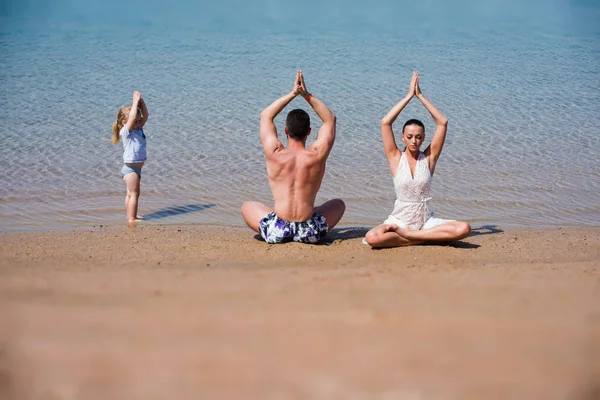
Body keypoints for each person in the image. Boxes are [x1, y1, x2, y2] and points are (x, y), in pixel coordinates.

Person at [365, 72, 470, 247]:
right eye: (410, 136)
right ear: (403, 138)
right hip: (400, 220)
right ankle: (422, 238)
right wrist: (408, 96)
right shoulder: (395, 158)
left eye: (419, 137)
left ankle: (412, 237)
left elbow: (442, 122)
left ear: (423, 138)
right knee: (372, 237)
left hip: (426, 220)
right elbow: (385, 122)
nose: (414, 141)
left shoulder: (429, 159)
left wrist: (420, 96)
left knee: (464, 228)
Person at [241, 70, 345, 244]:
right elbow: (330, 120)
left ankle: (284, 224)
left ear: (285, 131)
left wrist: (292, 94)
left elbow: (266, 115)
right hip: (310, 232)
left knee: (247, 206)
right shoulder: (317, 155)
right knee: (339, 204)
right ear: (309, 133)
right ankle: (306, 219)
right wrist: (306, 94)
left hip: (277, 231)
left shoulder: (275, 153)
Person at [111, 90, 149, 223]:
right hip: (130, 169)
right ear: (123, 123)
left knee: (130, 194)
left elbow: (145, 116)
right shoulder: (126, 132)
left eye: (139, 121)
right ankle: (132, 218)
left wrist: (141, 101)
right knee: (134, 194)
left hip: (135, 169)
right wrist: (134, 102)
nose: (138, 123)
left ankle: (130, 215)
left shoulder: (138, 129)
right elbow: (132, 118)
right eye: (135, 122)